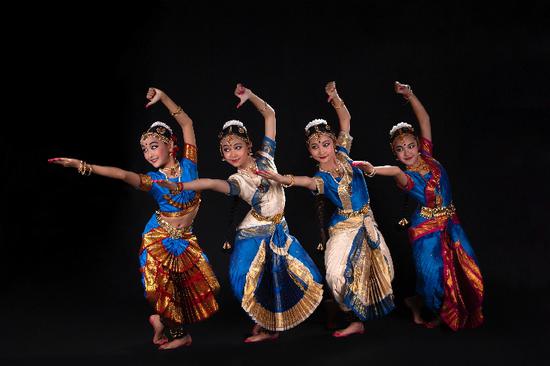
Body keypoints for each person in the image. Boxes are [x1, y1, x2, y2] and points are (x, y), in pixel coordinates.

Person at [48, 87, 220, 349]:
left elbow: (187, 121)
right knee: (157, 291)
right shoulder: (152, 181)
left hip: (185, 239)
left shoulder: (190, 165)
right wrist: (83, 166)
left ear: (172, 145)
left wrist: (163, 98)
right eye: (144, 150)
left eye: (154, 147)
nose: (149, 154)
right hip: (158, 238)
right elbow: (120, 174)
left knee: (209, 287)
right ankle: (178, 334)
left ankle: (161, 321)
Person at [157, 83, 324, 343]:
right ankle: (264, 325)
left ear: (248, 146)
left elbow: (270, 115)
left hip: (279, 228)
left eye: (236, 146)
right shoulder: (237, 180)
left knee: (298, 276)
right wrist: (179, 185)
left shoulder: (267, 158)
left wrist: (250, 96)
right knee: (242, 280)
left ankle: (270, 327)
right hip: (253, 232)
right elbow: (210, 183)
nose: (232, 153)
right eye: (226, 149)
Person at [256, 81, 395, 338]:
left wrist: (334, 97)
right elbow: (298, 181)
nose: (321, 150)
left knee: (384, 267)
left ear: (333, 142)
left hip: (366, 221)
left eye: (324, 143)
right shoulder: (320, 178)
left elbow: (346, 119)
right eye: (314, 146)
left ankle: (356, 317)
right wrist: (276, 177)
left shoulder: (345, 154)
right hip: (343, 227)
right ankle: (348, 315)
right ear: (310, 152)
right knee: (335, 274)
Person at [352, 81, 484, 330]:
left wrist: (409, 95)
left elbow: (424, 119)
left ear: (418, 145)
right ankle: (433, 311)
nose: (408, 152)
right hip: (425, 229)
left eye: (411, 146)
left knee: (465, 264)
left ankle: (436, 304)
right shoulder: (407, 177)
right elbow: (392, 171)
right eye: (400, 150)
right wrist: (372, 169)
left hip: (450, 223)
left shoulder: (429, 157)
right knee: (432, 275)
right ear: (396, 154)